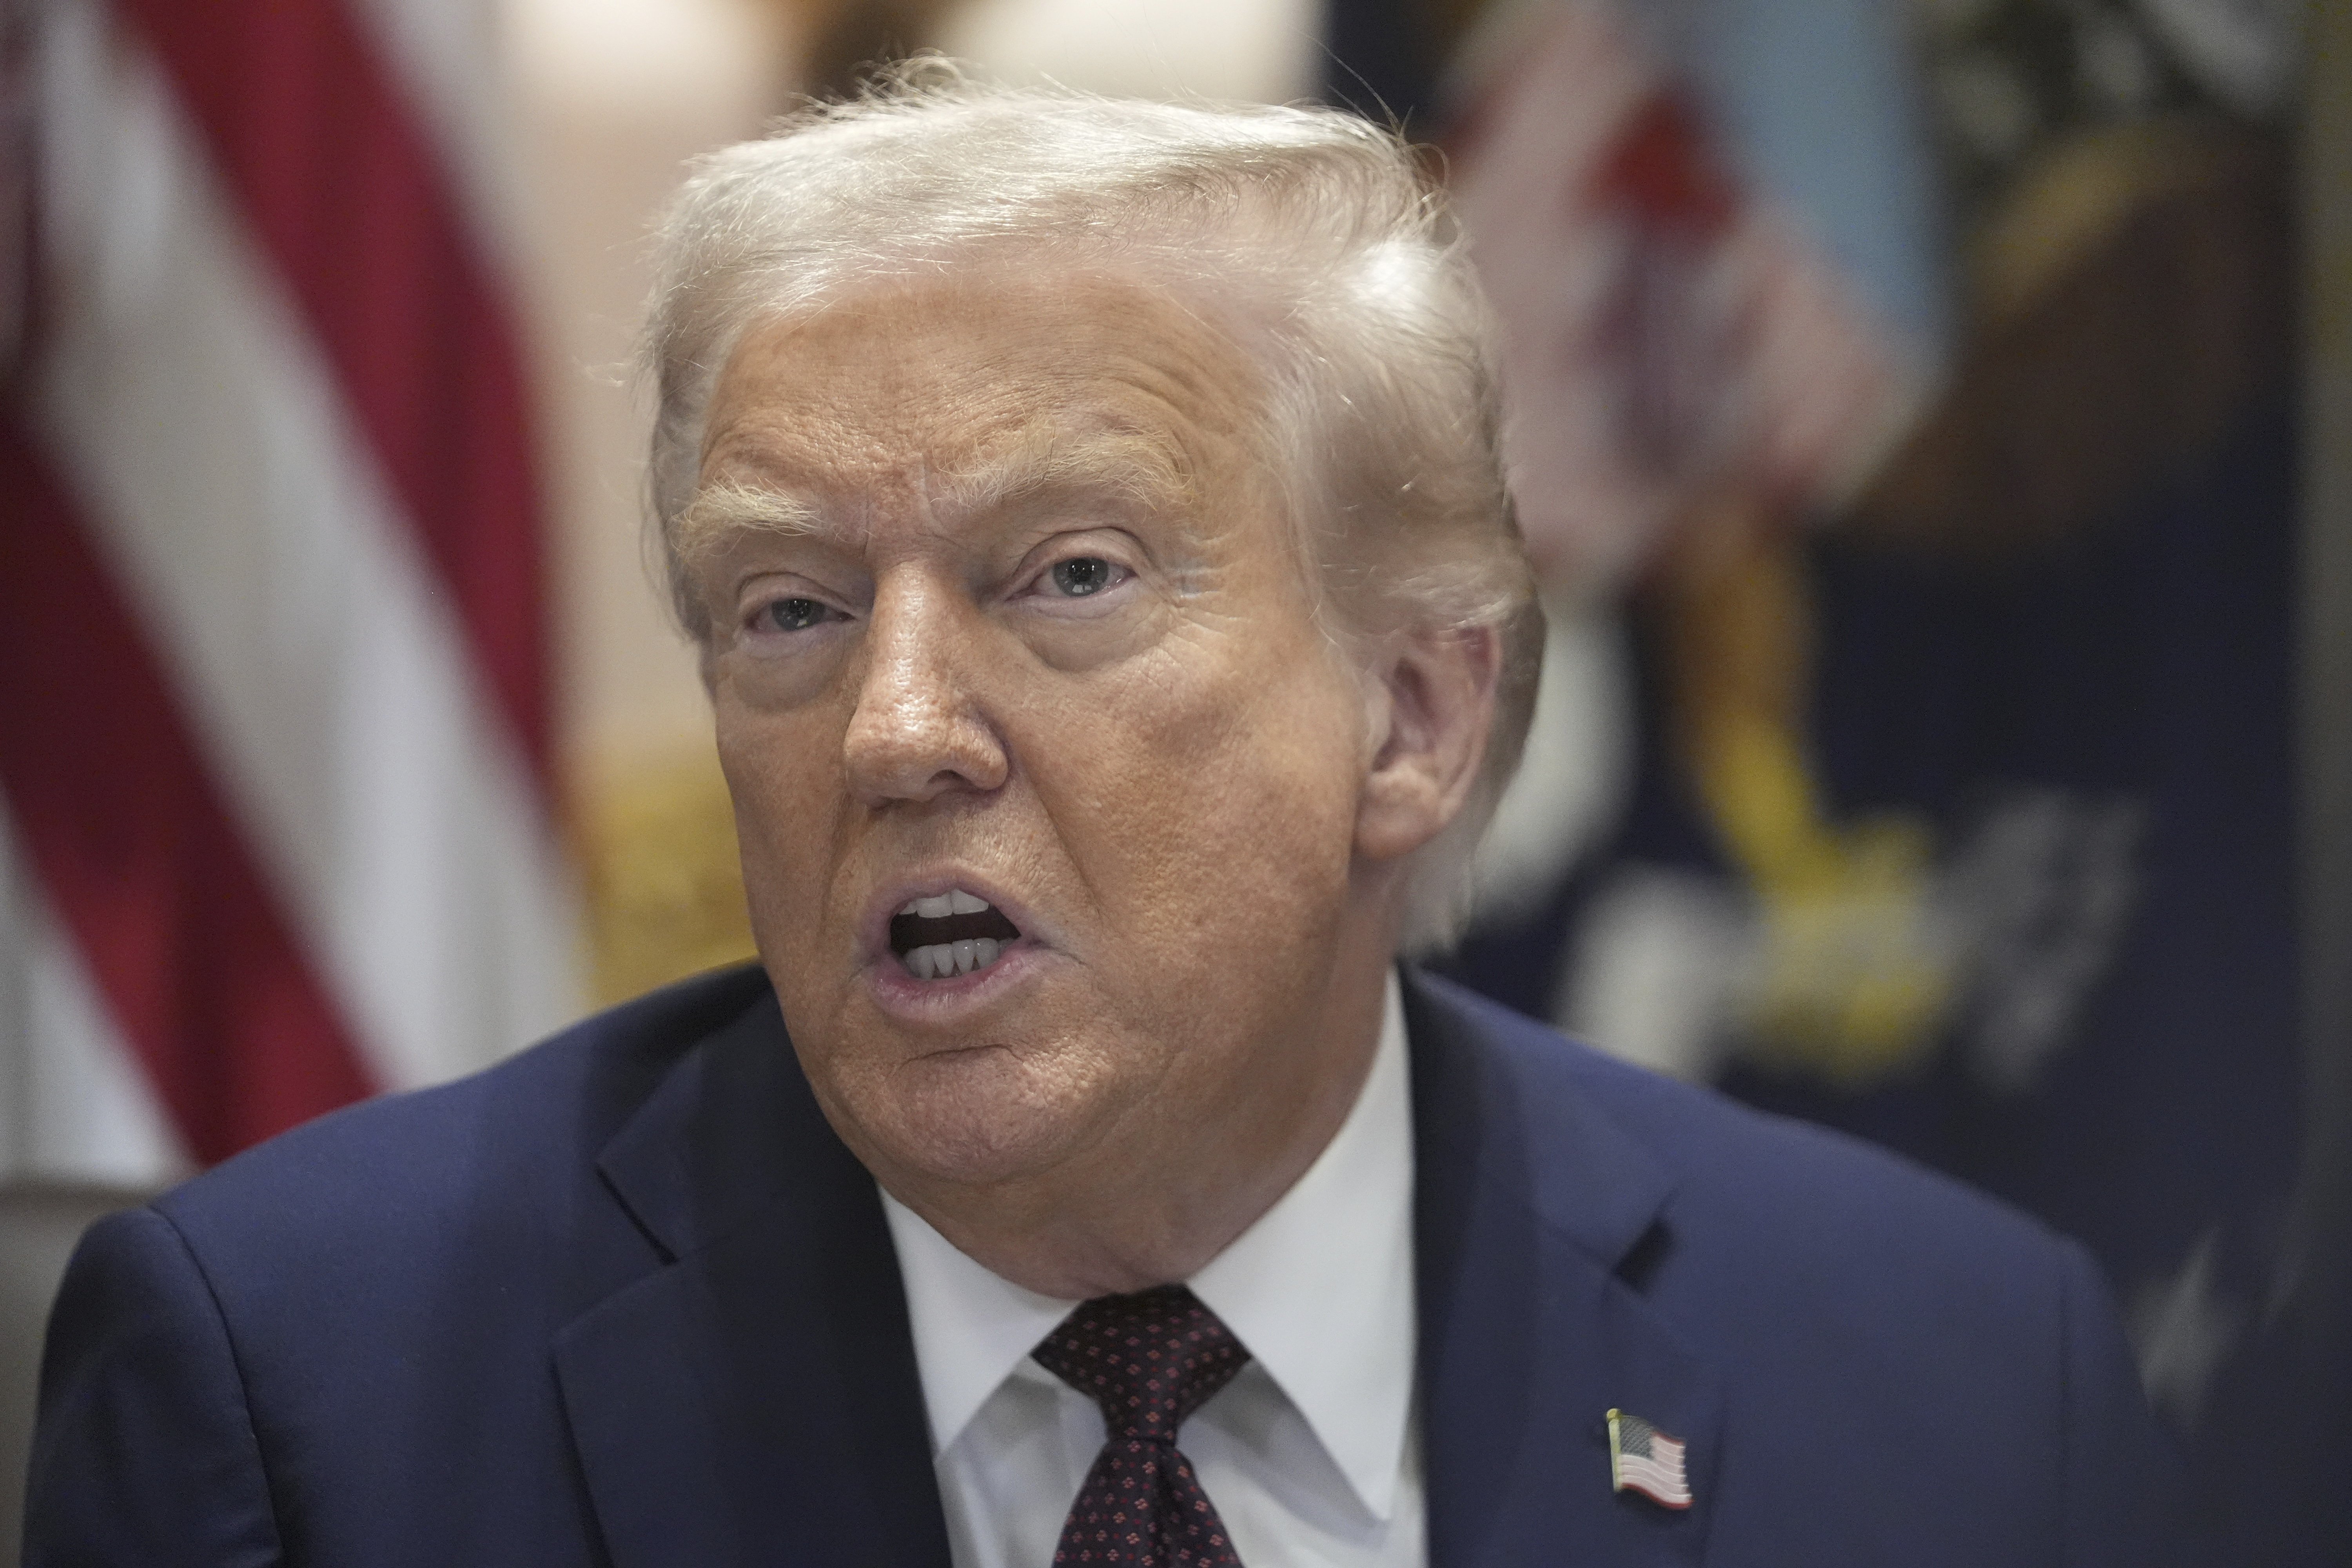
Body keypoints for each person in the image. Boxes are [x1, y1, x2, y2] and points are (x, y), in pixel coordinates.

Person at [24, 71, 2175, 1568]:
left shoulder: (1959, 1388)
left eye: (1069, 575)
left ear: (1415, 717)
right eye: (789, 607)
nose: (893, 731)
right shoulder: (300, 1403)